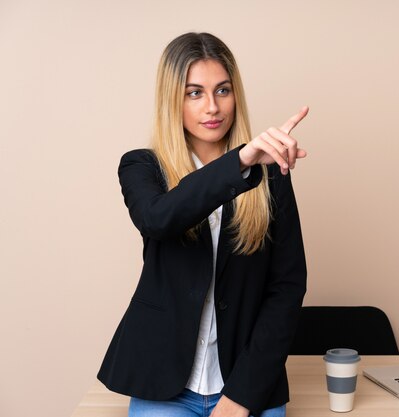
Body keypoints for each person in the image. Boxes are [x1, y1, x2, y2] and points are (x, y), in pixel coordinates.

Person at [97, 32, 308, 417]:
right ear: (172, 99)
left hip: (246, 384)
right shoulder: (142, 166)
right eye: (194, 93)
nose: (212, 107)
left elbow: (287, 287)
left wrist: (242, 396)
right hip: (165, 384)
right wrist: (240, 163)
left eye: (222, 90)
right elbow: (158, 219)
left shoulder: (271, 176)